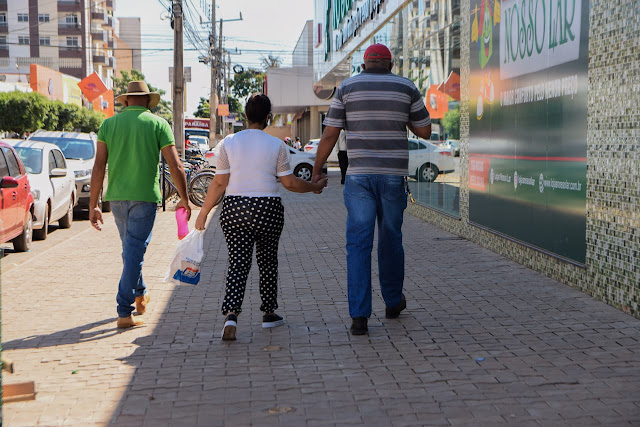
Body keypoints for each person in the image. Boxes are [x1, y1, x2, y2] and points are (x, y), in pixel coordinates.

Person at [311, 44, 431, 335]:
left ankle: (359, 317)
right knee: (391, 239)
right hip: (392, 177)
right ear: (390, 64)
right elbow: (425, 130)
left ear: (363, 65)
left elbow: (330, 133)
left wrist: (317, 169)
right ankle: (392, 302)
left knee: (358, 243)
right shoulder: (406, 87)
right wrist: (400, 116)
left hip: (359, 178)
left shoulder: (347, 88)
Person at [195, 94, 327, 341]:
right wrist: (313, 187)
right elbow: (288, 182)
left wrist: (204, 211)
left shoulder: (229, 142)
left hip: (235, 208)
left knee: (238, 263)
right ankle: (268, 313)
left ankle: (231, 315)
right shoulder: (276, 144)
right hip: (268, 209)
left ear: (246, 116)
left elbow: (220, 181)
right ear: (268, 117)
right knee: (267, 261)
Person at [89, 81, 191, 329]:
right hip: (144, 197)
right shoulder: (157, 124)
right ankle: (124, 312)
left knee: (131, 251)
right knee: (134, 252)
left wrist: (94, 204)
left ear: (125, 102)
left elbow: (99, 166)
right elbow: (176, 165)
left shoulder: (108, 124)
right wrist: (184, 197)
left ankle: (140, 294)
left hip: (116, 199)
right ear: (147, 101)